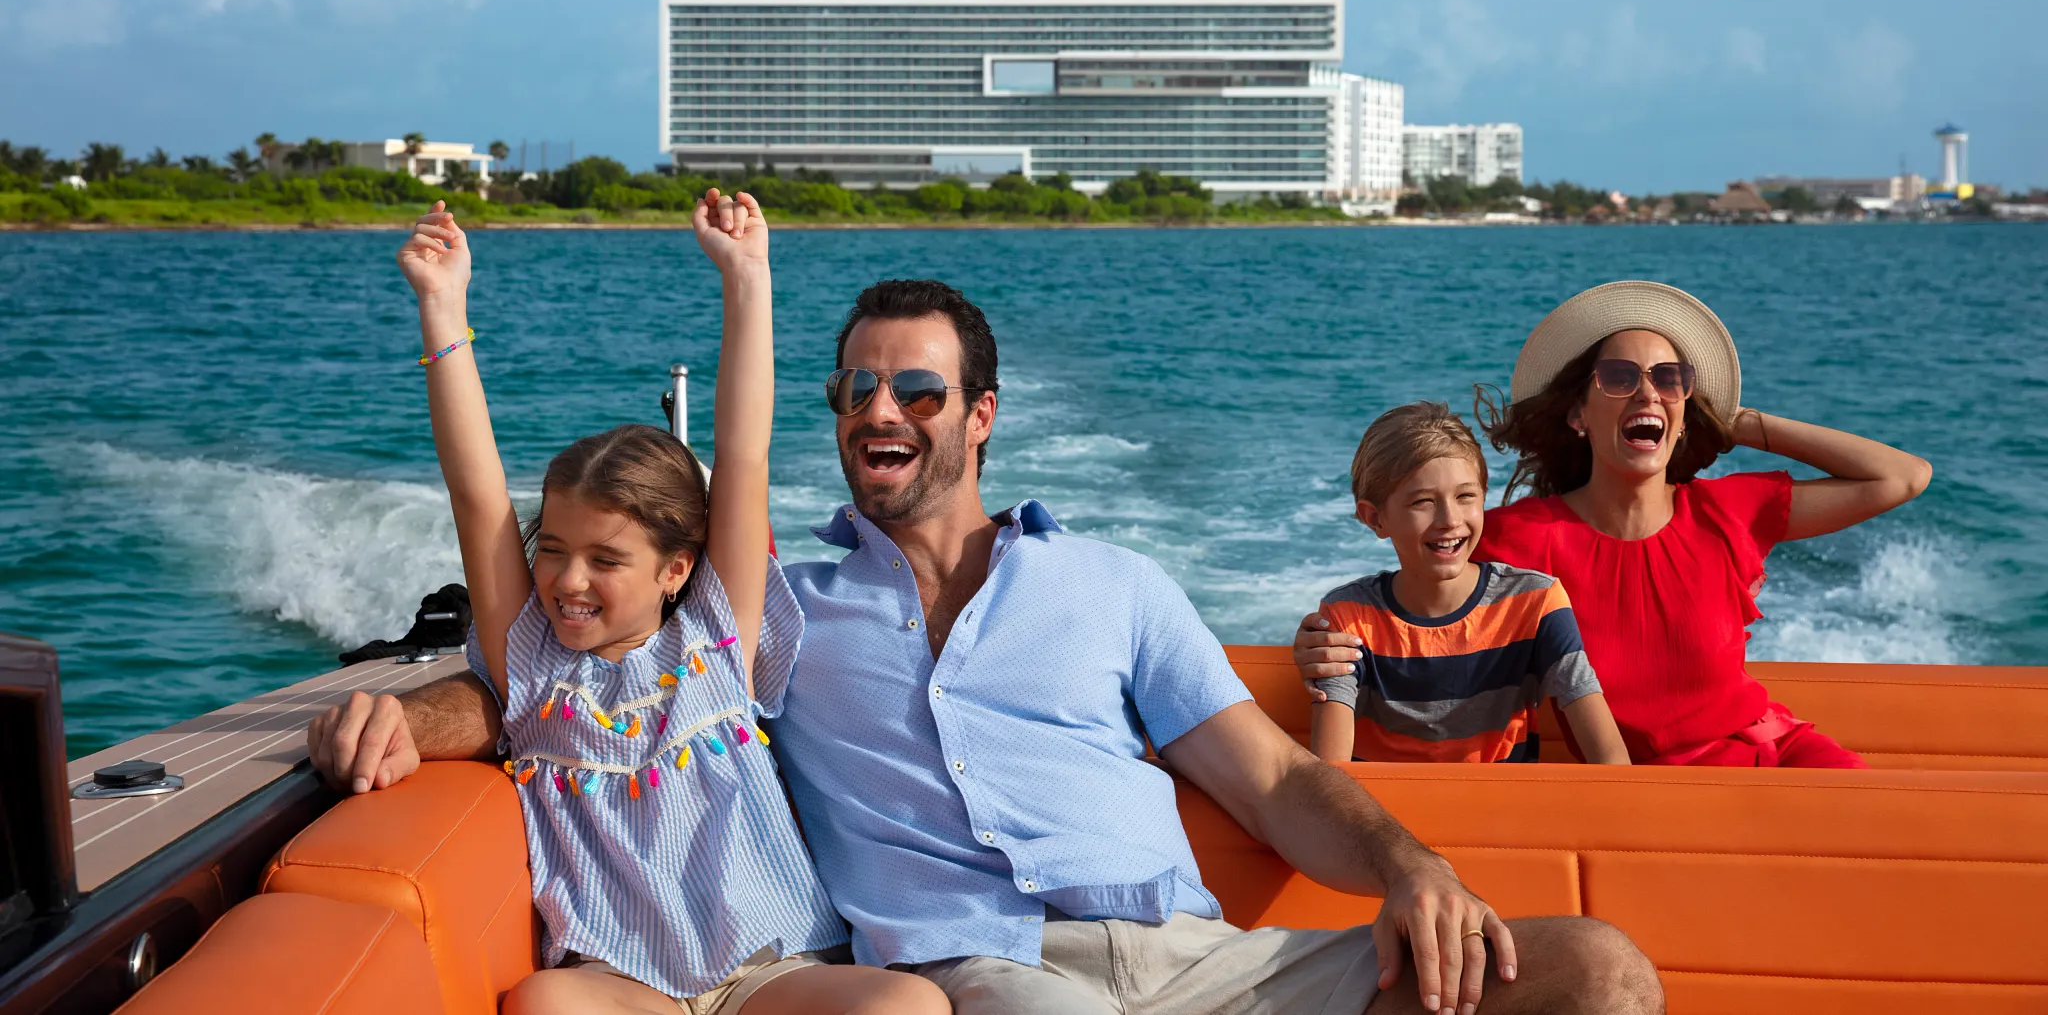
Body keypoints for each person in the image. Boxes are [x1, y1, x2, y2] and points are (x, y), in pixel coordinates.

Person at [313, 277, 1665, 1015]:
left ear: (980, 416)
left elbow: (1274, 782)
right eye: (856, 388)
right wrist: (419, 719)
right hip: (987, 979)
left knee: (1596, 973)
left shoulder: (1114, 584)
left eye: (916, 389)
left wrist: (1414, 868)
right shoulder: (779, 609)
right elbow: (584, 679)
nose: (879, 410)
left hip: (1203, 963)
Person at [387, 196, 944, 1015]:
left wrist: (746, 276)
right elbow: (477, 493)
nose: (569, 580)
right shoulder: (531, 661)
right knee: (545, 1001)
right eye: (553, 549)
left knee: (909, 1005)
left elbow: (742, 453)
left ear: (676, 568)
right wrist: (442, 304)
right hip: (624, 982)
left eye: (607, 560)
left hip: (768, 970)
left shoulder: (718, 638)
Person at [1295, 281, 1932, 770]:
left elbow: (1902, 477)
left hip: (1771, 758)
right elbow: (1417, 579)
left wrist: (1736, 422)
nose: (1648, 393)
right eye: (1621, 378)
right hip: (1627, 788)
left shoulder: (1727, 512)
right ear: (1578, 414)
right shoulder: (1519, 538)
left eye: (1669, 379)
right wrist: (1317, 643)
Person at [1311, 402, 1629, 767]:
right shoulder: (1348, 616)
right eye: (1422, 501)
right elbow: (1330, 771)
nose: (1450, 519)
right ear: (1375, 518)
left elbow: (1609, 756)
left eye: (1465, 496)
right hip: (1378, 805)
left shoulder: (1536, 602)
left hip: (1503, 804)